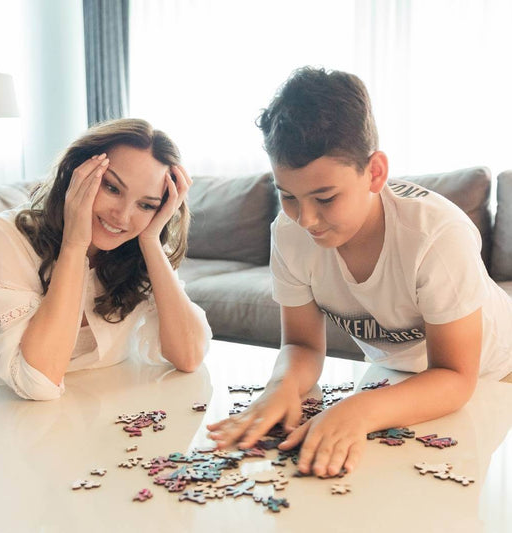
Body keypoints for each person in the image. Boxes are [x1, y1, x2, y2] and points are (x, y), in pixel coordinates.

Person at [207, 67, 512, 477]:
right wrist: (281, 387)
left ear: (375, 172)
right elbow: (301, 344)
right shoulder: (289, 231)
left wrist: (356, 410)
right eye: (288, 196)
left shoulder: (437, 235)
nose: (306, 220)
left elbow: (456, 376)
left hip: (495, 379)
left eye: (325, 197)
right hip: (399, 378)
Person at [0, 118, 212, 400]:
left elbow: (189, 357)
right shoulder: (3, 237)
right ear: (76, 173)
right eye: (112, 188)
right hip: (15, 423)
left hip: (106, 414)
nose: (122, 216)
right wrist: (75, 245)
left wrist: (151, 242)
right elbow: (37, 382)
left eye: (146, 205)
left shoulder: (136, 250)